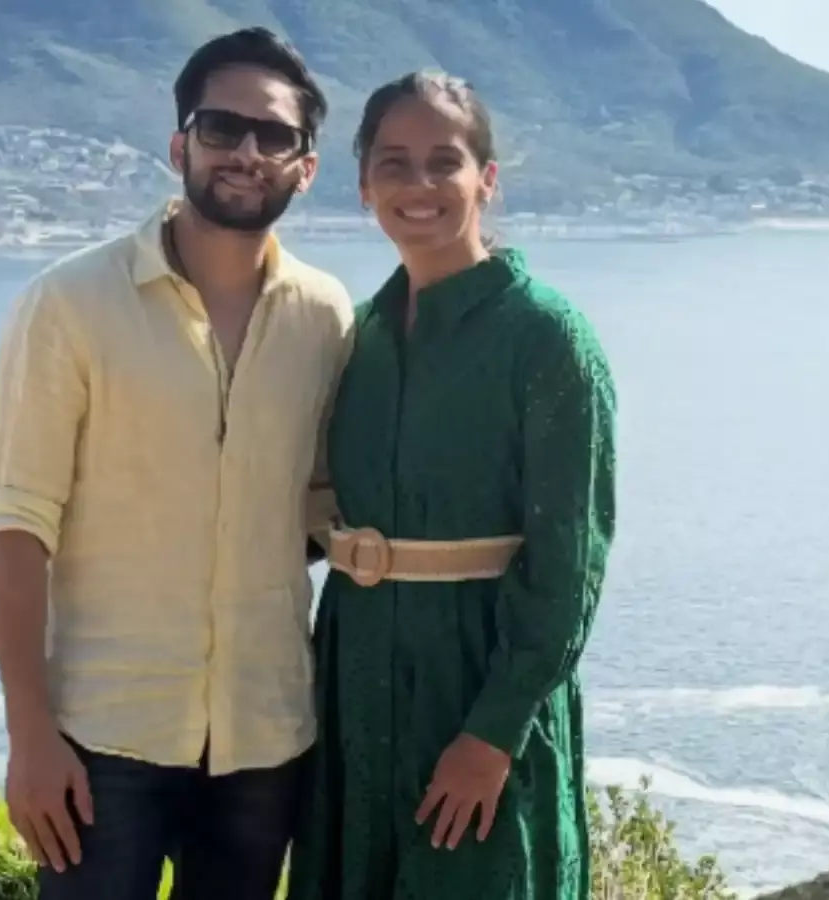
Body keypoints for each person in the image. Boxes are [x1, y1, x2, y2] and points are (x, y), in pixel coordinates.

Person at [0, 27, 355, 900]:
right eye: (222, 127)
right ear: (180, 145)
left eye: (274, 135)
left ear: (306, 167)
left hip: (265, 737)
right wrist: (29, 736)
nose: (246, 152)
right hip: (102, 734)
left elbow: (319, 509)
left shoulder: (326, 318)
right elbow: (15, 528)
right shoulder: (68, 304)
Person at [287, 70, 618, 900]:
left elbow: (569, 566)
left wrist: (493, 734)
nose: (420, 184)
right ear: (365, 185)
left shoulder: (548, 339)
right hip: (356, 688)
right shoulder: (358, 337)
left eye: (445, 162)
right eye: (394, 163)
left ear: (487, 178)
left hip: (479, 689)